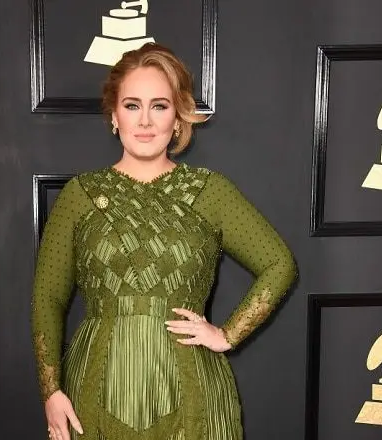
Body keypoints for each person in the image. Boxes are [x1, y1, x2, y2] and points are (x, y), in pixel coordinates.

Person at [31, 42, 297, 440]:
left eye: (159, 106)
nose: (145, 121)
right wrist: (51, 391)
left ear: (177, 117)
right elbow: (47, 297)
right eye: (132, 105)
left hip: (194, 393)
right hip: (92, 395)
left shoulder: (210, 191)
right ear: (114, 115)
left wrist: (227, 334)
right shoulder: (79, 195)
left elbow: (279, 264)